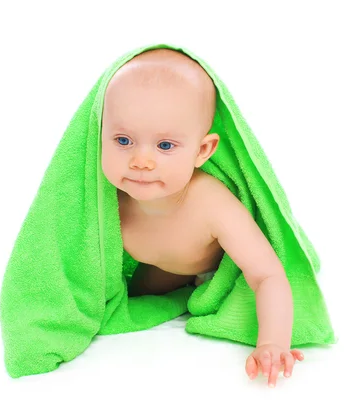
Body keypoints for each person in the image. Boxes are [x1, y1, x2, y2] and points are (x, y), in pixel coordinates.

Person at [100, 48, 304, 388]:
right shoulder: (100, 198)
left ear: (202, 150)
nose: (141, 161)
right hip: (162, 270)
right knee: (135, 297)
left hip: (216, 269)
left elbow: (267, 274)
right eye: (123, 140)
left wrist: (272, 343)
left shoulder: (210, 203)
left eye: (165, 146)